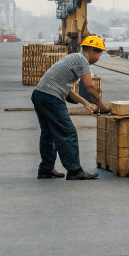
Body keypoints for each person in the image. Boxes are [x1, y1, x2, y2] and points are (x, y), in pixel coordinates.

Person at [31, 36, 107, 180]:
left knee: (49, 133)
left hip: (40, 94)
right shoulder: (83, 61)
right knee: (68, 132)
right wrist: (102, 105)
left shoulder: (75, 58)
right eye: (99, 53)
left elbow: (68, 90)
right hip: (50, 97)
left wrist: (87, 104)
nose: (99, 57)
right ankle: (74, 171)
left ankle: (46, 169)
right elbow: (89, 87)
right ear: (91, 50)